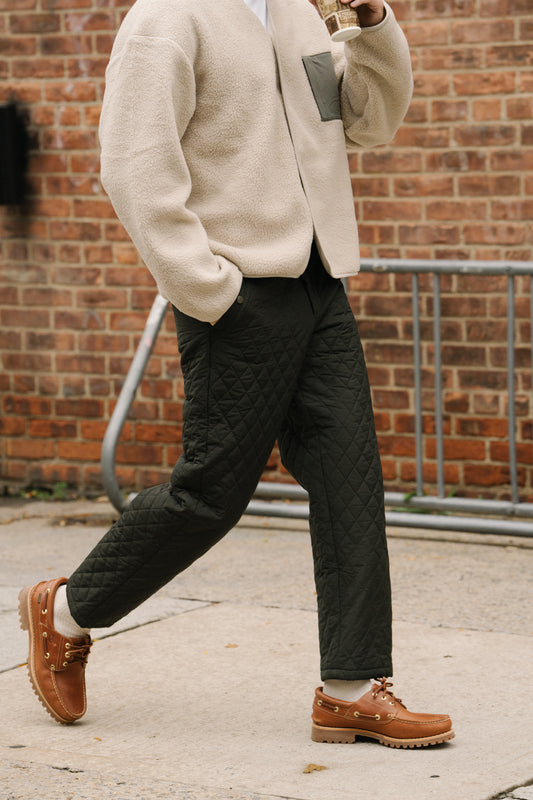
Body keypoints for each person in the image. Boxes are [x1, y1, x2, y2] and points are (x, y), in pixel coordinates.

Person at [19, 0, 454, 748]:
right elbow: (133, 166)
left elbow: (368, 122)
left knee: (350, 482)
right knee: (209, 493)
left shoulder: (298, 14)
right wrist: (209, 289)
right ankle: (65, 612)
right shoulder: (168, 18)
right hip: (237, 295)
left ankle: (351, 688)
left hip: (319, 285)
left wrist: (373, 24)